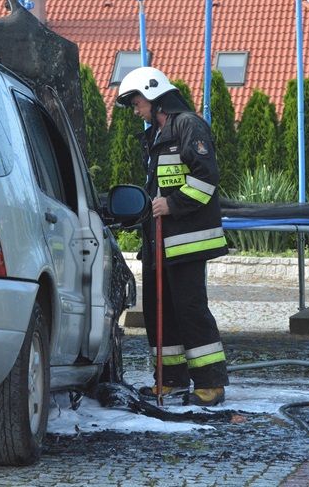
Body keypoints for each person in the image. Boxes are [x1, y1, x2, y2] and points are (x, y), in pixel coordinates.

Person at [116, 67, 229, 406]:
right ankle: (170, 380)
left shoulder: (188, 126)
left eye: (137, 104)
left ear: (153, 96)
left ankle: (210, 384)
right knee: (157, 311)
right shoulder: (155, 136)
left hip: (187, 242)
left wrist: (172, 204)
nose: (136, 111)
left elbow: (206, 179)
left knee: (190, 311)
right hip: (159, 244)